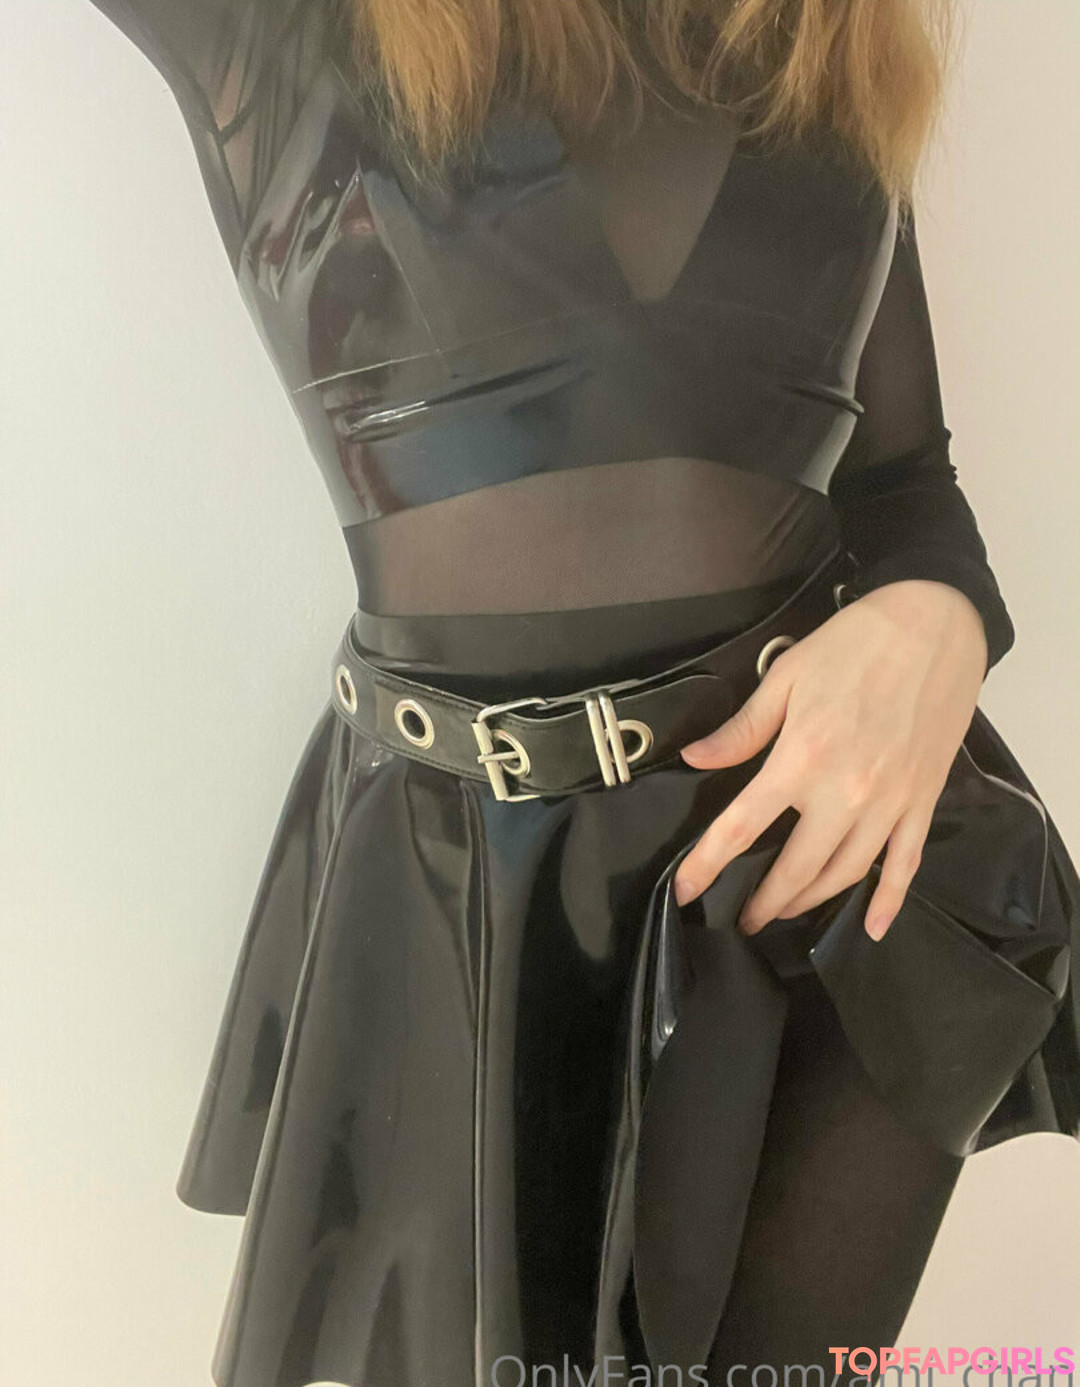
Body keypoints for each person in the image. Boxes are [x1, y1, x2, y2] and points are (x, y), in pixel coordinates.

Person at [82, 2, 1080, 1385]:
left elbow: (907, 488)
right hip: (459, 913)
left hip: (802, 894)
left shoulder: (820, 43)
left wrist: (943, 617)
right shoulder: (277, 28)